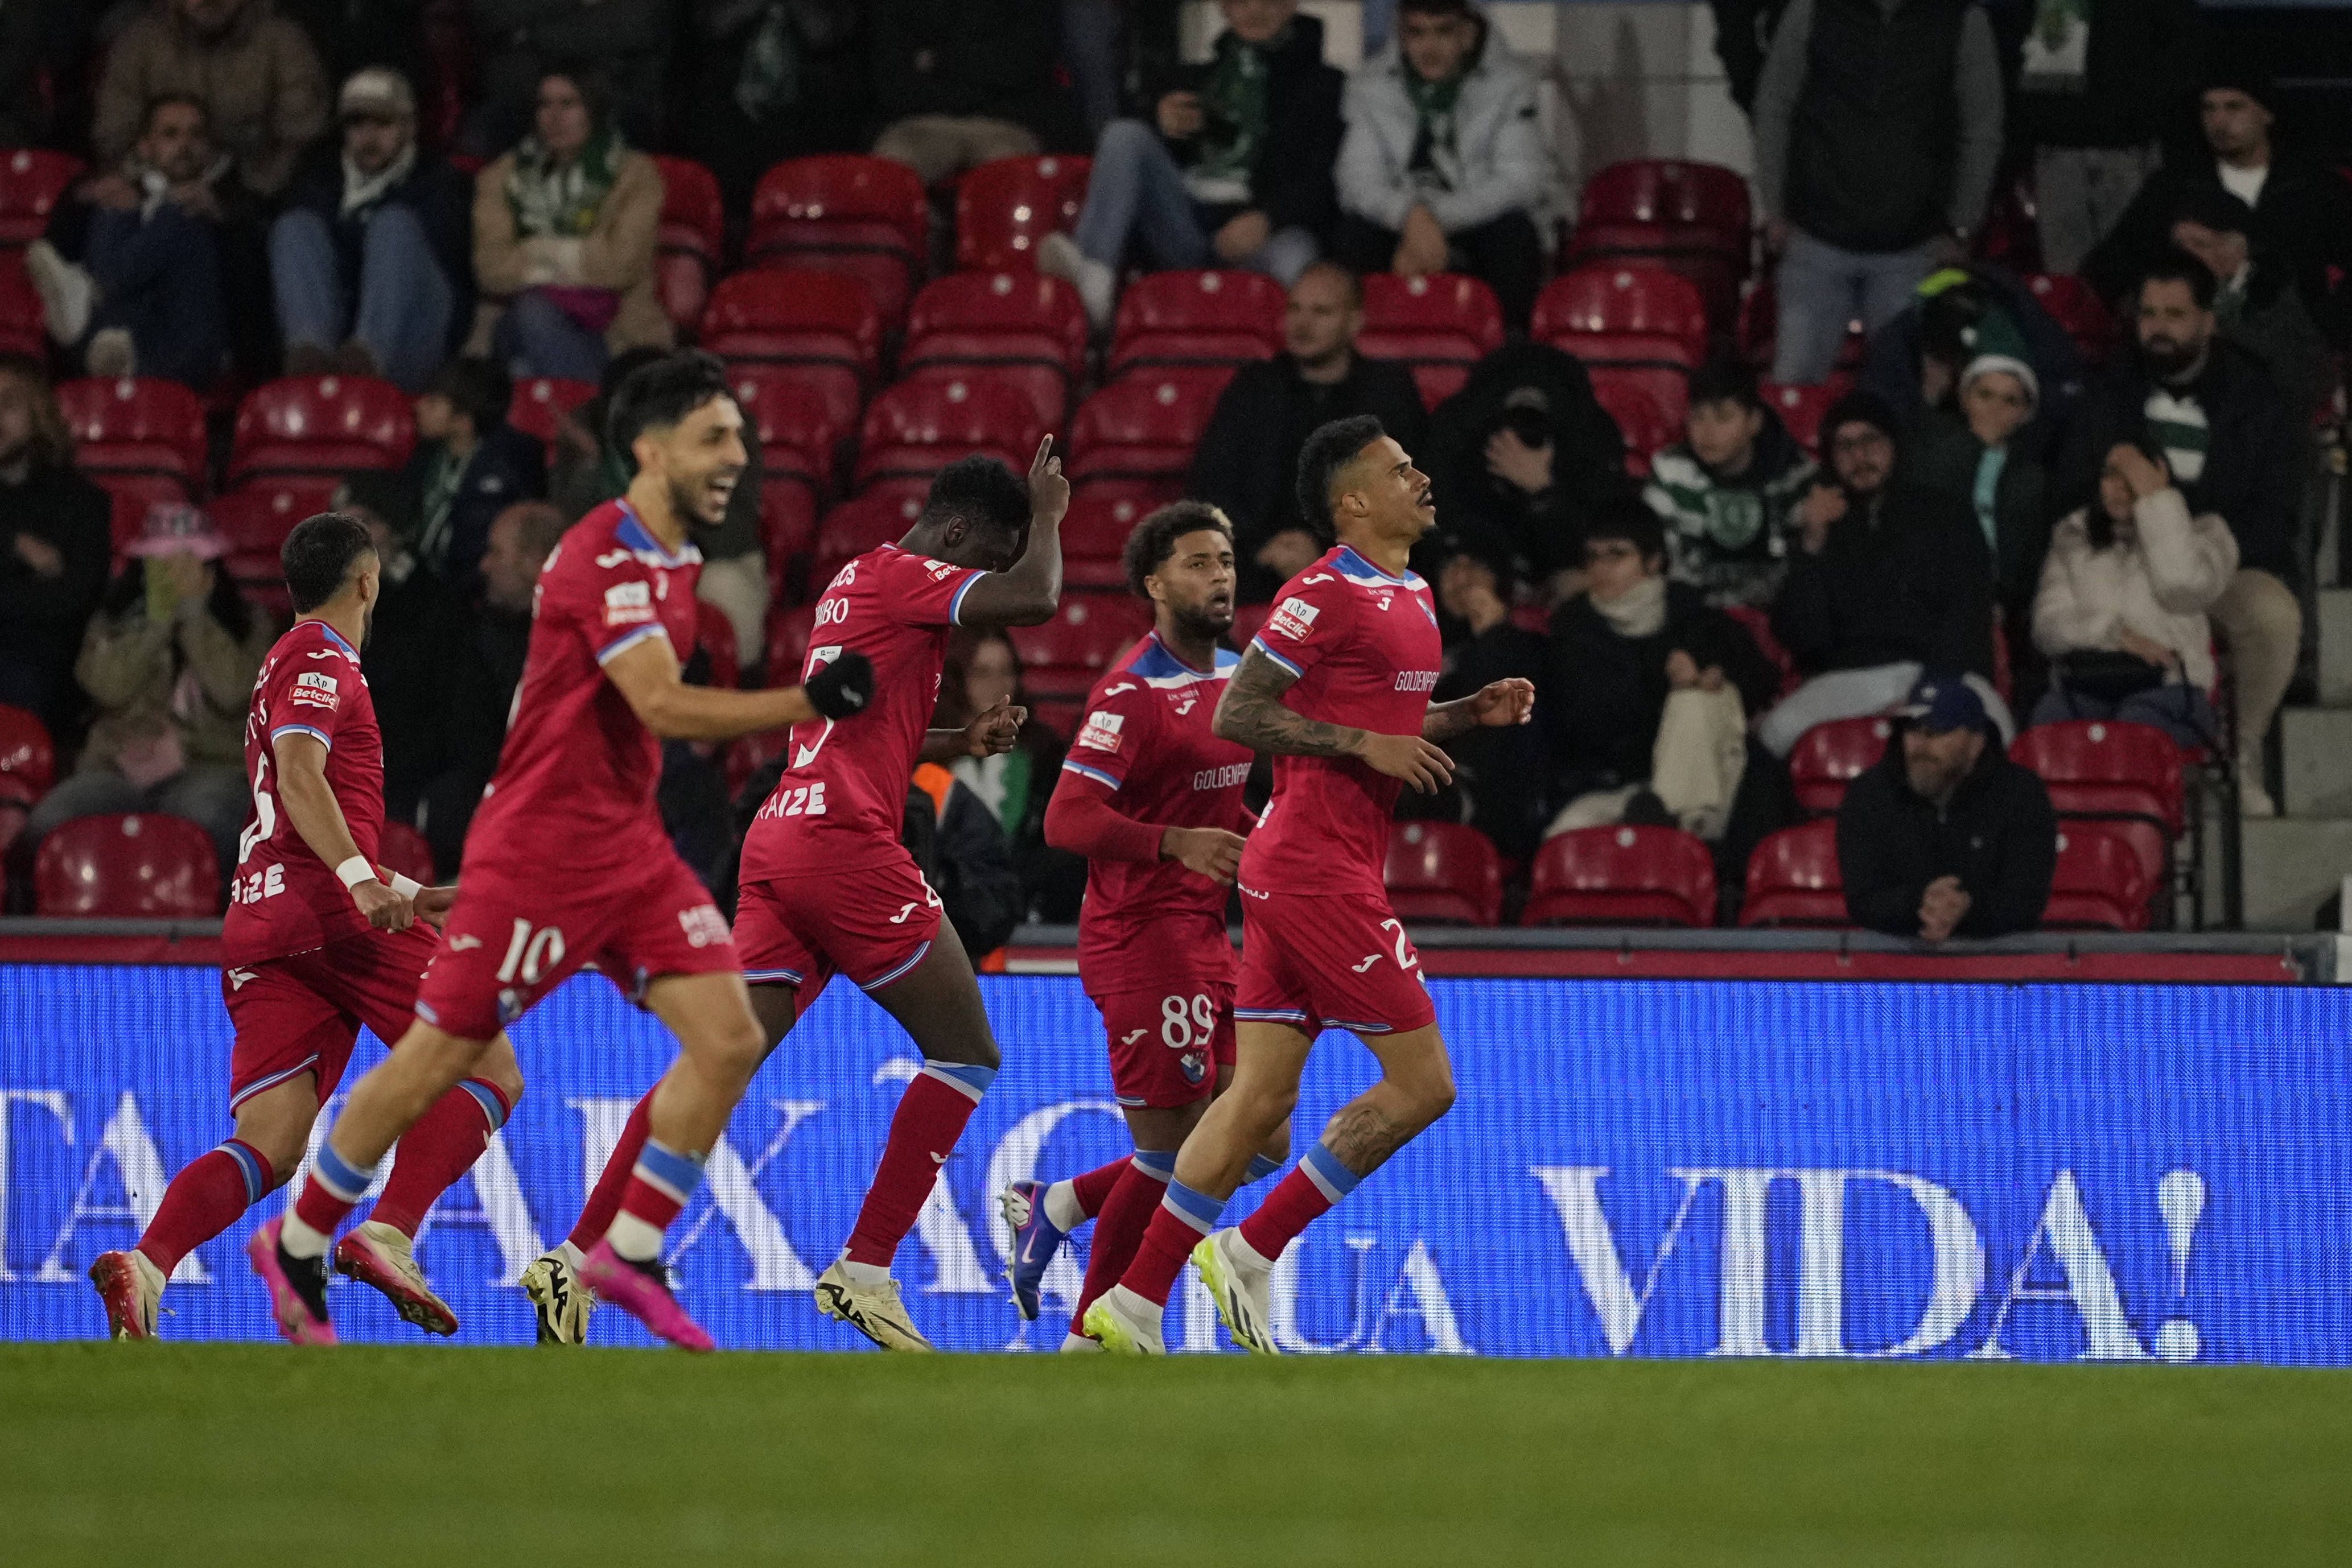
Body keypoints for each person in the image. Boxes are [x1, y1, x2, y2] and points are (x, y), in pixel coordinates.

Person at [255, 352, 876, 1352]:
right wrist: (812, 698)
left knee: (728, 1039)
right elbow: (662, 706)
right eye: (716, 437)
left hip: (627, 850)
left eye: (741, 437)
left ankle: (624, 1252)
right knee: (439, 1061)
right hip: (541, 854)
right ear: (651, 447)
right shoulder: (602, 555)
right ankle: (294, 1241)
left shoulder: (674, 562)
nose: (739, 456)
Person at [526, 444, 1068, 1352]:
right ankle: (865, 1268)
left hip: (782, 839)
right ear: (963, 533)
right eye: (986, 559)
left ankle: (577, 1258)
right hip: (844, 846)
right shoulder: (911, 576)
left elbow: (864, 720)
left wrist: (960, 732)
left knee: (720, 1063)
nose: (982, 584)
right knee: (967, 1052)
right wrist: (1048, 514)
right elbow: (1040, 600)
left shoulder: (857, 580)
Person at [1083, 415, 1534, 1355]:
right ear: (1352, 501)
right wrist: (1361, 742)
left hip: (1305, 872)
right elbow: (1244, 710)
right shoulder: (1321, 593)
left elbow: (1379, 726)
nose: (1422, 479)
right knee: (1424, 1087)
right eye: (1399, 469)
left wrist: (1461, 715)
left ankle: (1125, 1312)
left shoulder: (1410, 592)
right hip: (1313, 872)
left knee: (1250, 1103)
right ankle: (1250, 1247)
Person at [85, 512, 527, 1343]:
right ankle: (387, 1230)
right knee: (494, 1067)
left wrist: (400, 884)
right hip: (326, 915)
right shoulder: (321, 655)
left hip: (262, 922)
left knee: (271, 1142)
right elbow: (298, 774)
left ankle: (147, 1265)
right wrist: (361, 881)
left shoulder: (282, 664)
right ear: (368, 581)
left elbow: (298, 815)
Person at [1002, 502, 1291, 1349]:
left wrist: (1263, 835)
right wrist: (1173, 843)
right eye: (1198, 563)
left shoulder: (1239, 678)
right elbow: (1065, 820)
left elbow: (1216, 797)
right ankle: (1097, 1335)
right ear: (1154, 584)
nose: (1220, 576)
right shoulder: (1130, 694)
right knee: (1171, 1154)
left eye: (1227, 559)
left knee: (1261, 1136)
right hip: (1138, 935)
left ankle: (1060, 1204)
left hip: (1205, 933)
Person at [2053, 251, 2304, 815]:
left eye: (2174, 314)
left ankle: (2239, 750)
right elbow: (2070, 491)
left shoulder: (2257, 396)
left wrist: (2194, 543)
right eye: (2147, 313)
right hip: (2123, 561)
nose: (2158, 328)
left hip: (2222, 564)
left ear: (2208, 321)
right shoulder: (2104, 391)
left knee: (2272, 615)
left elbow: (2275, 512)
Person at [1037, 0, 1344, 327]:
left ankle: (1280, 363)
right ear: (1224, 7)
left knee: (1296, 259)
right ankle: (1092, 283)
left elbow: (1327, 180)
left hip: (1270, 234)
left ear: (1290, 5)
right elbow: (1162, 162)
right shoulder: (1198, 78)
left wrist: (1269, 219)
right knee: (1125, 135)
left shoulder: (1326, 85)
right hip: (1189, 229)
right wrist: (1163, 126)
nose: (1253, 10)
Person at [1752, 0, 2005, 385]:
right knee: (1794, 396)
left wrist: (1961, 226)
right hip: (1815, 239)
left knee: (1900, 399)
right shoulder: (1811, 11)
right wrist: (1774, 207)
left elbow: (1981, 129)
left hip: (1912, 249)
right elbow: (1773, 108)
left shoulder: (1962, 20)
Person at [23, 504, 274, 876]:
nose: (175, 573)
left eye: (188, 562)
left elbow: (234, 691)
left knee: (208, 818)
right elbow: (108, 689)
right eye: (163, 562)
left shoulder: (252, 622)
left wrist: (193, 617)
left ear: (211, 568)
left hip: (209, 767)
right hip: (116, 767)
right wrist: (156, 624)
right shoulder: (110, 621)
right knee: (50, 821)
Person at [1759, 389, 2008, 756]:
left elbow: (1967, 613)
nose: (1859, 457)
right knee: (1774, 734)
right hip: (1849, 678)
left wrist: (1931, 688)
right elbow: (1807, 639)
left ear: (1893, 445)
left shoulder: (1945, 514)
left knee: (1996, 729)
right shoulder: (1821, 525)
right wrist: (1811, 546)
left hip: (1943, 670)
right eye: (1844, 447)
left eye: (1869, 441)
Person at [1540, 504, 1781, 845]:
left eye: (1617, 555)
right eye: (1593, 557)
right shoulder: (1572, 628)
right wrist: (1662, 681)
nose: (1601, 568)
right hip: (1608, 782)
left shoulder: (1693, 616)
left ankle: (1678, 828)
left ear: (1653, 561)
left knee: (1699, 698)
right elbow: (1583, 724)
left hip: (1702, 778)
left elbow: (1760, 677)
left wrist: (1710, 671)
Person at [1190, 263, 1429, 600]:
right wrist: (1263, 546)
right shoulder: (1255, 387)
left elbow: (1411, 498)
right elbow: (1210, 485)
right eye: (1295, 309)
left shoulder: (1388, 393)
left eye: (1322, 312)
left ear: (1354, 322)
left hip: (1361, 573)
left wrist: (1326, 554)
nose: (1303, 324)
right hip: (1252, 567)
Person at [2087, 66, 2352, 349]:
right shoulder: (2175, 186)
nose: (2219, 121)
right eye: (2209, 109)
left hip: (2293, 347)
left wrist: (2328, 330)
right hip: (2194, 348)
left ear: (2266, 114)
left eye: (2234, 107)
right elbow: (2116, 259)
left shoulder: (2313, 186)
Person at [1331, 0, 1555, 331]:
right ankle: (1361, 355)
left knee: (1514, 235)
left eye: (1443, 33)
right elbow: (1356, 180)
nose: (1429, 47)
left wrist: (1434, 219)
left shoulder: (1510, 84)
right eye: (1416, 33)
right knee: (1353, 235)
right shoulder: (1369, 86)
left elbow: (1521, 181)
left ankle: (1510, 355)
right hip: (1403, 220)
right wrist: (1409, 217)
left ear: (1468, 32)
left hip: (1475, 218)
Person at [555, 347, 769, 672]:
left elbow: (723, 528)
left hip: (715, 559)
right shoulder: (593, 451)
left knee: (726, 587)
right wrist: (596, 467)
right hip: (621, 572)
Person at [270, 67, 473, 390]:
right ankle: (309, 361)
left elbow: (436, 263)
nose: (369, 137)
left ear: (410, 127)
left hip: (416, 330)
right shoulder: (320, 174)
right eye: (357, 124)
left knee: (394, 225)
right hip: (338, 328)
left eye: (383, 123)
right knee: (294, 226)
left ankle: (363, 363)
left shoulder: (438, 178)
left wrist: (354, 228)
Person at [468, 69, 672, 383]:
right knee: (534, 313)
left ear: (594, 110)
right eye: (544, 105)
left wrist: (539, 253)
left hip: (615, 332)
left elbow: (620, 267)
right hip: (514, 324)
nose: (554, 117)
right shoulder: (502, 176)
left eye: (568, 104)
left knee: (525, 367)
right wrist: (578, 263)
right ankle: (592, 421)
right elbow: (492, 269)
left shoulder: (636, 175)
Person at [26, 94, 245, 385]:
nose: (185, 145)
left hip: (191, 348)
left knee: (180, 215)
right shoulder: (126, 195)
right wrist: (91, 196)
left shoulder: (234, 196)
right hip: (116, 348)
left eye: (196, 134)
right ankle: (107, 331)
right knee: (115, 211)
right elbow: (57, 239)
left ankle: (85, 300)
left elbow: (249, 278)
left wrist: (220, 217)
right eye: (170, 134)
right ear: (145, 146)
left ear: (210, 147)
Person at [2032, 442, 2233, 749]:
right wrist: (2113, 634)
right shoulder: (2072, 538)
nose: (2121, 488)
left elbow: (2182, 587)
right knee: (2051, 720)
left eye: (2133, 475)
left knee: (2135, 726)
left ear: (2160, 474)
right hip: (2091, 682)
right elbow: (2047, 628)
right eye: (2111, 475)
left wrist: (2156, 502)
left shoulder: (2206, 534)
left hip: (2173, 687)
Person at [1837, 672, 2055, 942]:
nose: (1921, 745)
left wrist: (1967, 908)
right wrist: (1920, 903)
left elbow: (2025, 901)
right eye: (1913, 730)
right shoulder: (1869, 794)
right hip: (1892, 966)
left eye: (1937, 732)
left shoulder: (2021, 794)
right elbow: (1863, 899)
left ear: (1976, 743)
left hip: (1998, 966)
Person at [1418, 341, 1633, 601]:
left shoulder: (1589, 436)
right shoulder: (1461, 429)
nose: (1520, 438)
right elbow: (1440, 523)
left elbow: (1601, 535)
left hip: (1562, 564)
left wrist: (1542, 489)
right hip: (1483, 558)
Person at [2008, 0, 2198, 277]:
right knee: (2065, 282)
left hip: (2128, 151)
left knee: (2136, 278)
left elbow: (2184, 50)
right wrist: (2033, 126)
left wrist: (2141, 117)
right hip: (2056, 151)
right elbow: (2015, 45)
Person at [93, 0, 328, 201]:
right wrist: (150, 187)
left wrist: (235, 196)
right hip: (152, 197)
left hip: (256, 204)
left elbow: (300, 134)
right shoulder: (139, 44)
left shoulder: (284, 42)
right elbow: (116, 134)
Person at [1899, 351, 2049, 653]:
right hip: (1929, 597)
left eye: (2010, 401)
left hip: (2000, 609)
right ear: (1965, 399)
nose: (1996, 408)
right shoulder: (1930, 452)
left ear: (2025, 413)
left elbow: (2028, 562)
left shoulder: (2034, 479)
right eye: (1986, 395)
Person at [1644, 354, 1818, 609]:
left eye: (1723, 418)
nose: (1707, 432)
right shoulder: (1671, 472)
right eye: (1697, 417)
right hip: (1692, 618)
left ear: (1754, 422)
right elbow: (1659, 567)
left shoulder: (1796, 475)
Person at [0, 356, 113, 733]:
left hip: (46, 673)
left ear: (38, 412)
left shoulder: (81, 502)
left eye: (9, 403)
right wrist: (15, 546)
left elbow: (72, 601)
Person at [2167, 187, 2333, 439]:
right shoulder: (2161, 295)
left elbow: (2307, 377)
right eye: (2179, 245)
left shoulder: (2273, 292)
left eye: (2200, 244)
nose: (2186, 256)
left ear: (2236, 251)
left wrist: (2224, 329)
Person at [940, 630, 1082, 922]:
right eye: (982, 673)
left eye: (1006, 673)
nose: (997, 687)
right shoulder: (931, 752)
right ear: (958, 678)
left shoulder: (1044, 753)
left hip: (1026, 908)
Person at [868, 0, 1083, 185]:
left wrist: (938, 61)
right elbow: (892, 82)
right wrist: (979, 76)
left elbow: (1023, 64)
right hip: (919, 123)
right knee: (887, 174)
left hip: (1007, 124)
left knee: (1010, 175)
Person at [401, 356, 547, 583]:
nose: (418, 406)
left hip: (467, 593)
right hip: (422, 583)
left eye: (433, 402)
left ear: (463, 420)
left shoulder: (509, 467)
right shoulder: (427, 457)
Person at [461, 0, 673, 155]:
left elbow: (632, 25)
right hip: (519, 105)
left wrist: (529, 35)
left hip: (612, 107)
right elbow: (490, 13)